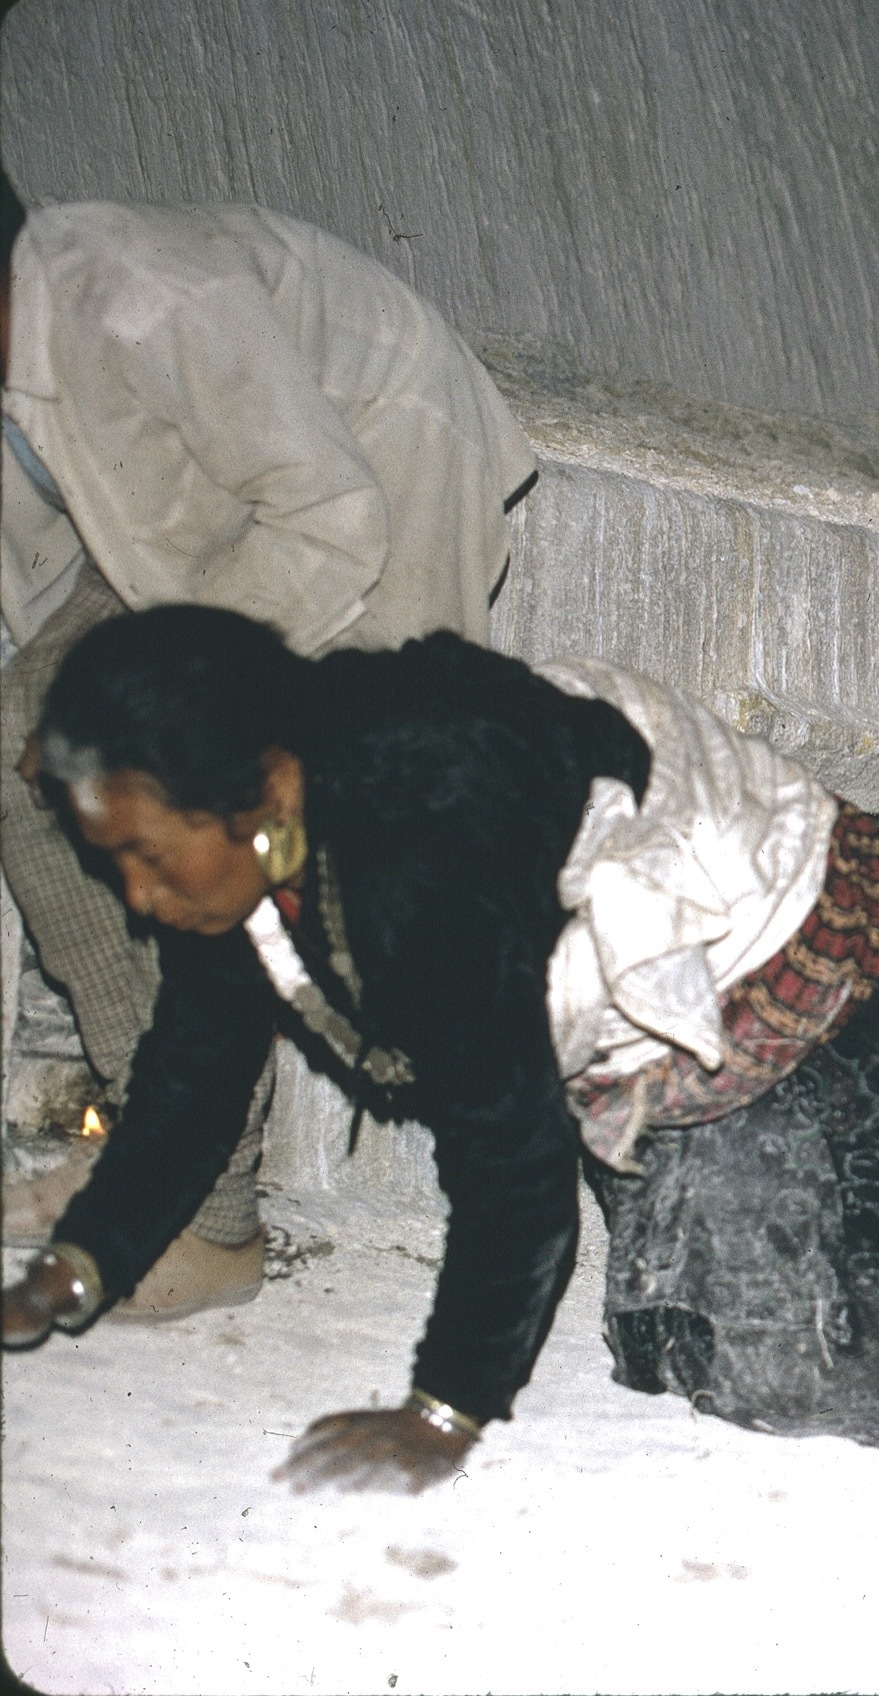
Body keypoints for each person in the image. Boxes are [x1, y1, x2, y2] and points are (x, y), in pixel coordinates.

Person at [0, 608, 879, 1488]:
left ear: (259, 791)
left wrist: (445, 1410)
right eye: (116, 864)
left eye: (148, 855)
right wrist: (77, 1266)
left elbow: (512, 1163)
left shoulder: (419, 851)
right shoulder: (249, 855)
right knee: (685, 1351)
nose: (138, 897)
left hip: (811, 944)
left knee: (874, 1352)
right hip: (658, 1015)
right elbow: (191, 1077)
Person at [2, 194, 539, 1318]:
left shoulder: (144, 304)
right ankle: (147, 1152)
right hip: (223, 530)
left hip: (382, 469)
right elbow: (37, 589)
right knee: (31, 748)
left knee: (255, 829)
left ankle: (210, 1224)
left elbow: (331, 515)